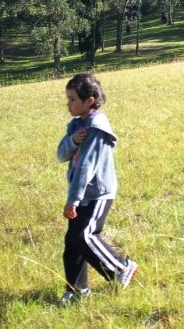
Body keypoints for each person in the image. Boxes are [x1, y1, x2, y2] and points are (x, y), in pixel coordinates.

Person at [56, 72, 138, 306]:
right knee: (72, 242)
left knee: (84, 235)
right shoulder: (76, 125)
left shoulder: (96, 127)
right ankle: (77, 291)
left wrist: (73, 200)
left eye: (73, 99)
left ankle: (122, 267)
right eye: (68, 99)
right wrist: (72, 140)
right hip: (81, 194)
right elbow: (61, 154)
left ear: (89, 101)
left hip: (97, 193)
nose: (68, 104)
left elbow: (86, 167)